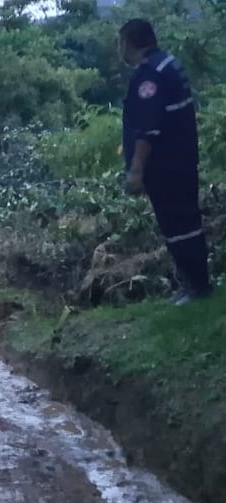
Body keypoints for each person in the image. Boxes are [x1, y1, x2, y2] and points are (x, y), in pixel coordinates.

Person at [120, 18, 212, 305]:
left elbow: (148, 130)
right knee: (188, 223)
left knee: (178, 228)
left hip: (166, 166)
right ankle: (197, 284)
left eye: (119, 42)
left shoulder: (149, 76)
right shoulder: (169, 63)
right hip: (182, 160)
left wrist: (136, 171)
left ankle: (197, 287)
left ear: (129, 42)